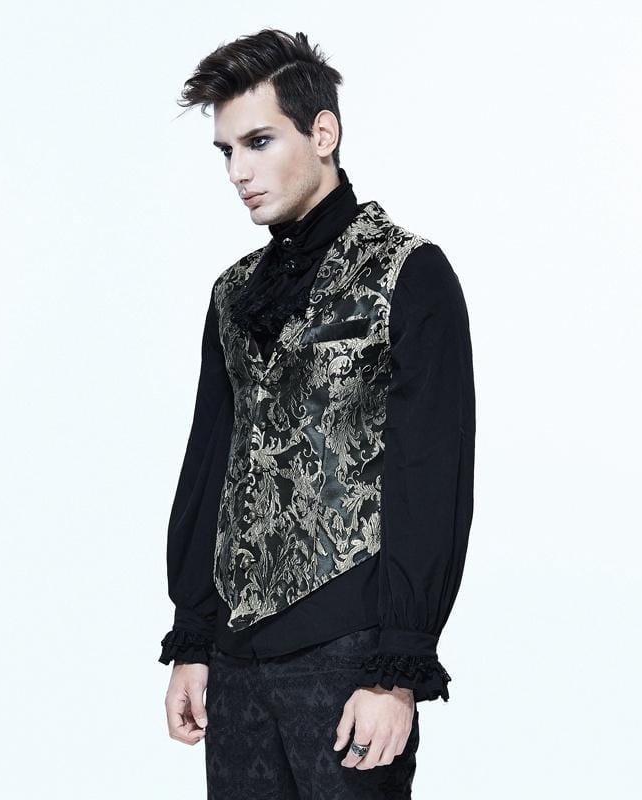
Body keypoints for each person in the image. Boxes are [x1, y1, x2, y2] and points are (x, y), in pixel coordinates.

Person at [158, 28, 476, 799]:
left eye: (259, 142)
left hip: (349, 651)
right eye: (226, 151)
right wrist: (192, 638)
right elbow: (211, 464)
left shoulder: (409, 272)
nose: (238, 172)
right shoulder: (232, 293)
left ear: (323, 133)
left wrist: (396, 671)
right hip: (234, 659)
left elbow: (430, 475)